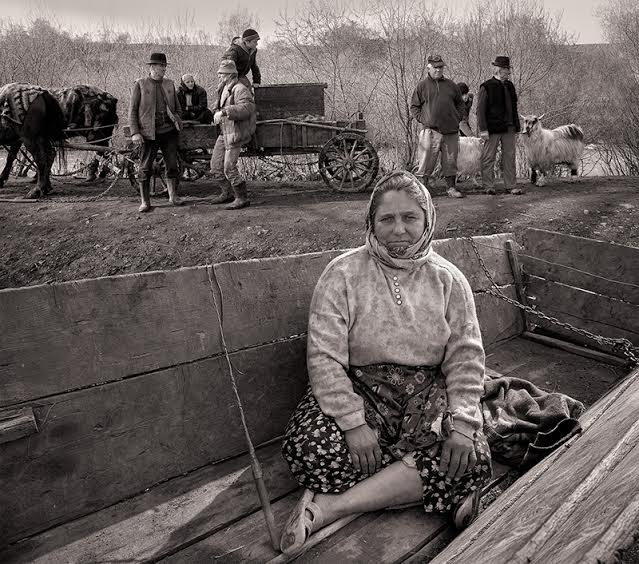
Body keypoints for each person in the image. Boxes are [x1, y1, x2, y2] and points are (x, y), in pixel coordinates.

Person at [279, 170, 492, 555]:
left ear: (427, 220)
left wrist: (461, 422)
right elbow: (324, 357)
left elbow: (466, 358)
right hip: (360, 390)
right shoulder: (343, 274)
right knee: (309, 448)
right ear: (371, 222)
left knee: (469, 453)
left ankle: (330, 507)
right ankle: (419, 485)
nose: (399, 230)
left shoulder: (448, 279)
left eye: (410, 217)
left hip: (426, 393)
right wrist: (353, 423)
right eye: (387, 219)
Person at [129, 52, 183, 212]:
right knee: (145, 167)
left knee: (172, 165)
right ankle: (145, 202)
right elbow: (132, 111)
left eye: (165, 66)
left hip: (169, 132)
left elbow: (178, 108)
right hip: (148, 133)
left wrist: (176, 119)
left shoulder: (170, 84)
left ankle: (173, 196)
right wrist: (135, 132)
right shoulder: (140, 84)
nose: (164, 69)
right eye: (161, 66)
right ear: (152, 67)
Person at [410, 55, 465, 198]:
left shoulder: (451, 85)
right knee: (425, 161)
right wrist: (425, 120)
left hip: (451, 131)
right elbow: (414, 107)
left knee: (450, 161)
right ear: (428, 68)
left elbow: (460, 103)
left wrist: (457, 117)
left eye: (441, 67)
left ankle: (451, 188)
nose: (439, 70)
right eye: (436, 67)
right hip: (430, 131)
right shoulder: (422, 86)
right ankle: (422, 190)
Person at [210, 59, 257, 210]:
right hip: (224, 131)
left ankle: (242, 198)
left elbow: (247, 108)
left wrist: (225, 112)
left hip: (235, 132)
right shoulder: (224, 88)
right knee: (215, 166)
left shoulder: (240, 89)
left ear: (230, 74)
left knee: (229, 167)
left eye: (222, 73)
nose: (219, 76)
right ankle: (227, 193)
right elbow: (220, 106)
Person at [476, 56, 523, 195]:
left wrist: (516, 126)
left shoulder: (510, 86)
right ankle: (488, 186)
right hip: (492, 128)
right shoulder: (486, 86)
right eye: (506, 69)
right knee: (488, 157)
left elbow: (514, 108)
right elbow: (480, 110)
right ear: (499, 70)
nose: (509, 72)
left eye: (508, 69)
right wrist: (483, 129)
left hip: (509, 127)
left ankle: (511, 185)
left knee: (510, 157)